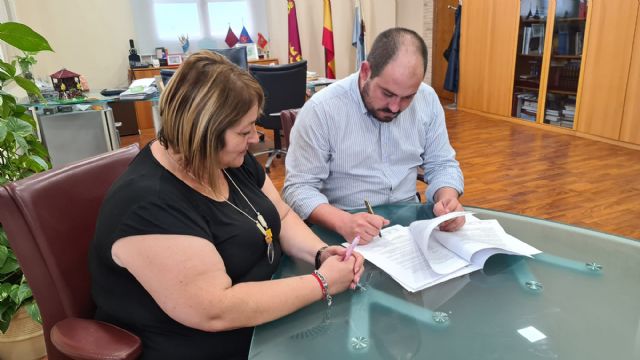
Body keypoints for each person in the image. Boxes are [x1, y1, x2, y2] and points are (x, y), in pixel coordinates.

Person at [89, 51, 364, 359]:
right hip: (199, 344)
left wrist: (320, 253)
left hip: (264, 321)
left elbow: (282, 215)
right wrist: (322, 282)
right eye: (244, 131)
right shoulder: (148, 204)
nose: (255, 139)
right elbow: (216, 310)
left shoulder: (226, 160)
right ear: (204, 132)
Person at [282, 27, 465, 244]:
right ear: (365, 72)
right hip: (342, 229)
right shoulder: (322, 110)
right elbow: (298, 189)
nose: (396, 107)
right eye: (387, 94)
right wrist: (344, 222)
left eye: (408, 97)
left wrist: (447, 199)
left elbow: (442, 164)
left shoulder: (427, 99)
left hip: (408, 224)